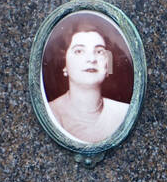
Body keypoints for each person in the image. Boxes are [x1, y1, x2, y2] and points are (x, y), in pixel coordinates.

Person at [43, 14, 131, 144]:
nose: (91, 59)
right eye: (79, 51)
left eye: (99, 51)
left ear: (108, 65)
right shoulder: (51, 114)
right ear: (64, 64)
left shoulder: (125, 112)